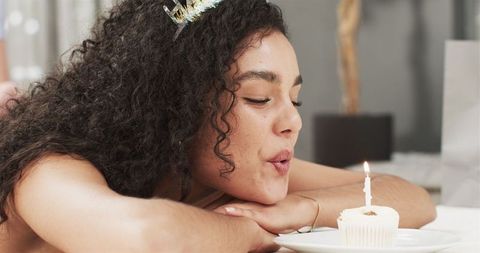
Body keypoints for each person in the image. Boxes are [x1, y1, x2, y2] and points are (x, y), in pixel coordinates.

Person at [0, 0, 435, 252]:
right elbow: (145, 237)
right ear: (178, 108)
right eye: (259, 99)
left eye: (293, 97)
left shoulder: (224, 175)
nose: (293, 121)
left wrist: (303, 210)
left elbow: (411, 199)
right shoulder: (46, 166)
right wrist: (255, 231)